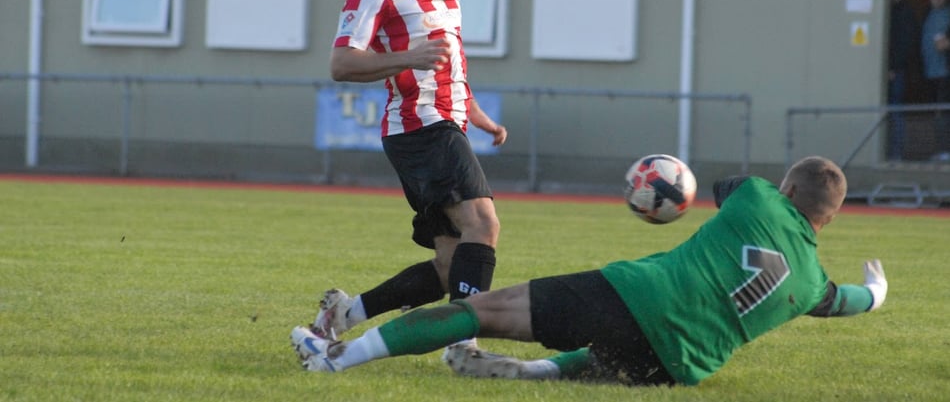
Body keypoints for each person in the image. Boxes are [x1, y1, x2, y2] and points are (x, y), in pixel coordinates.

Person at [290, 156, 888, 387]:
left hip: (633, 298)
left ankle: (334, 357)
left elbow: (727, 187)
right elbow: (845, 302)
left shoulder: (756, 197)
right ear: (828, 221)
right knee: (601, 363)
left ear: (786, 189)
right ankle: (522, 375)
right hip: (681, 364)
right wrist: (877, 292)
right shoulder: (813, 284)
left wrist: (671, 179)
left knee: (477, 311)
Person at [309, 0, 508, 346]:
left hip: (445, 121)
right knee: (484, 224)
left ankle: (344, 313)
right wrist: (407, 58)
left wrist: (473, 110)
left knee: (448, 263)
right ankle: (465, 346)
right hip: (420, 128)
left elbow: (449, 58)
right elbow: (340, 63)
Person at [887, 0, 919, 161]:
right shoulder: (892, 11)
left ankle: (896, 153)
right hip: (895, 69)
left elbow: (905, 44)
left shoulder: (905, 14)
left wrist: (894, 67)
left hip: (898, 71)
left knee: (895, 109)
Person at [920, 0, 950, 161]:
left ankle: (946, 150)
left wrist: (946, 44)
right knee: (934, 112)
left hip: (945, 73)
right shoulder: (928, 14)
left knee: (943, 112)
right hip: (929, 73)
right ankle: (939, 150)